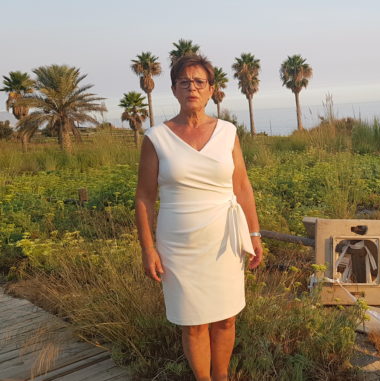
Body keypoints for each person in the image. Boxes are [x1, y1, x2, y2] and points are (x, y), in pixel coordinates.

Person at [135, 54, 263, 381]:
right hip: (179, 247)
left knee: (226, 319)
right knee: (193, 324)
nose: (192, 87)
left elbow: (242, 185)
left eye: (199, 82)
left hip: (225, 242)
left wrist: (255, 234)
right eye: (184, 82)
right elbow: (145, 198)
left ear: (211, 90)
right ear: (175, 90)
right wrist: (148, 249)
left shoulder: (228, 132)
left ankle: (221, 377)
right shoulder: (156, 138)